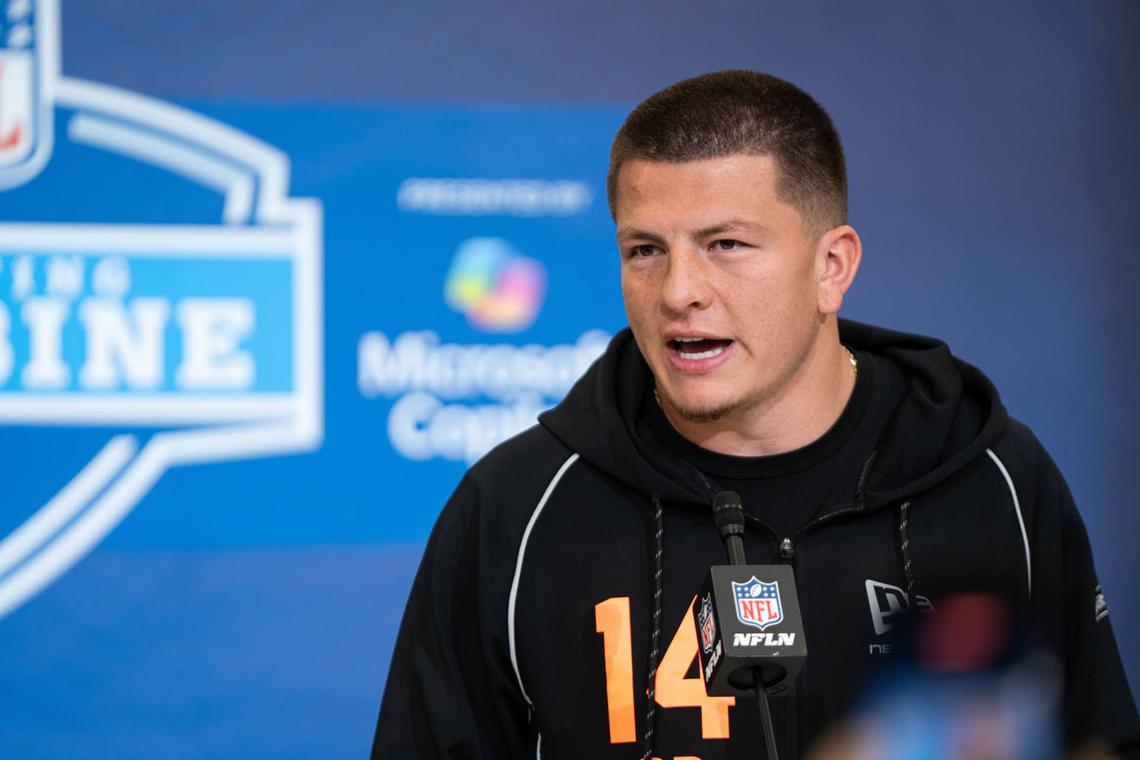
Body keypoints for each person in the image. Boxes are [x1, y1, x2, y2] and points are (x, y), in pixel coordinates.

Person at [372, 70, 1138, 759]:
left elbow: (1094, 738)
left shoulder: (994, 479)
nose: (678, 293)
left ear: (831, 267)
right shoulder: (515, 505)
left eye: (726, 244)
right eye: (645, 250)